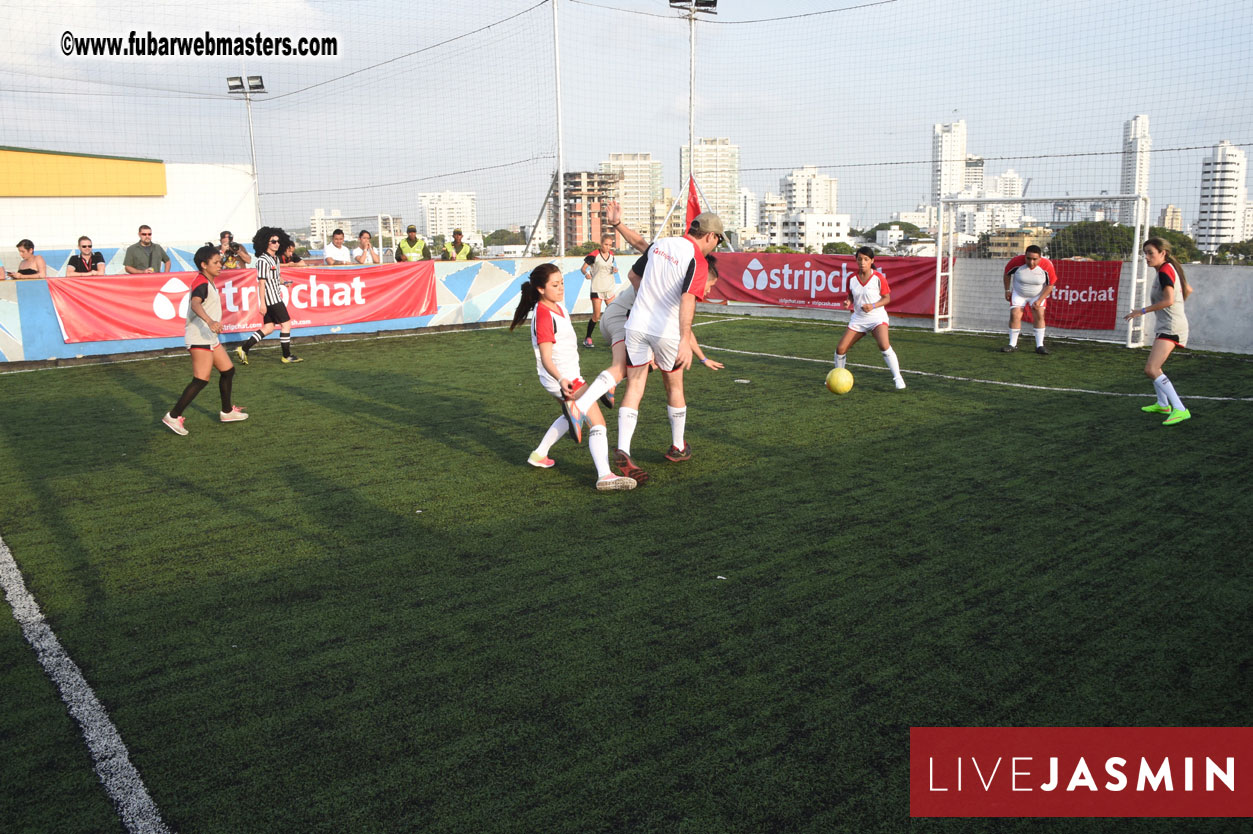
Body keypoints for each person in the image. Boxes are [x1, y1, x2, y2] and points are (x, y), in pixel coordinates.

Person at [571, 212, 721, 467]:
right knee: (674, 387)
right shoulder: (698, 260)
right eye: (718, 240)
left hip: (636, 325)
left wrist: (618, 224)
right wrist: (685, 339)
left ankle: (624, 449)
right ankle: (677, 446)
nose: (716, 245)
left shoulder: (662, 244)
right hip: (666, 331)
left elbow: (637, 261)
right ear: (710, 236)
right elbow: (688, 299)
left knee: (634, 385)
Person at [509, 262, 636, 491]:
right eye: (555, 285)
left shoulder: (557, 306)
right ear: (540, 289)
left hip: (566, 375)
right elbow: (546, 358)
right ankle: (604, 475)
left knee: (572, 414)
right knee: (597, 421)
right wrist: (560, 380)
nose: (561, 288)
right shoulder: (545, 314)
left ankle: (539, 454)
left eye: (562, 283)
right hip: (562, 377)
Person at [161, 244, 248, 435]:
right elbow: (194, 303)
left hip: (209, 336)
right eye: (215, 263)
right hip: (199, 336)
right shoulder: (201, 283)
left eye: (220, 262)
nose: (220, 265)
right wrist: (210, 321)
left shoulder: (206, 281)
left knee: (228, 370)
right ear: (203, 265)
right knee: (201, 379)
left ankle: (226, 412)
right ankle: (173, 416)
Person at [1124, 237, 1193, 426]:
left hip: (1171, 327)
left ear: (1163, 253)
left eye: (1150, 253)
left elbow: (1169, 300)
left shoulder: (1165, 272)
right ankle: (1163, 405)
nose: (1146, 257)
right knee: (1155, 368)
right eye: (1145, 253)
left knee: (1151, 369)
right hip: (1167, 325)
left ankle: (1180, 409)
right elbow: (1188, 289)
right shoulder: (1167, 269)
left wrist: (1141, 311)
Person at [833, 246, 907, 389]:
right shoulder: (852, 278)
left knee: (884, 345)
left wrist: (873, 306)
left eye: (866, 259)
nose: (862, 262)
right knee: (840, 349)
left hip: (877, 318)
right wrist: (848, 301)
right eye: (859, 259)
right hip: (858, 319)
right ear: (856, 260)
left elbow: (887, 299)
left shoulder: (878, 278)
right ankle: (838, 376)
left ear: (872, 260)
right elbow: (850, 294)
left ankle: (898, 378)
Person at [235, 227, 302, 365]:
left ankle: (244, 348)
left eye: (278, 241)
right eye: (273, 241)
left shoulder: (275, 259)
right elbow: (261, 283)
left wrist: (284, 283)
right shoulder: (262, 261)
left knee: (269, 327)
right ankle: (286, 355)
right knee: (286, 324)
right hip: (272, 299)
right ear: (266, 242)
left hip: (275, 296)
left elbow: (276, 277)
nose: (276, 243)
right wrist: (262, 303)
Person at [1001, 244, 1057, 354]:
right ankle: (1012, 344)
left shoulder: (1047, 265)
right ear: (1025, 256)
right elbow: (1007, 274)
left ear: (1040, 258)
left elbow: (1050, 285)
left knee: (1039, 314)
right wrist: (1007, 290)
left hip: (1037, 295)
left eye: (1035, 259)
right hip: (1019, 293)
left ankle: (1039, 346)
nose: (1031, 262)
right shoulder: (1016, 261)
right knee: (1015, 314)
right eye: (1028, 258)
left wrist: (1040, 300)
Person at [580, 234, 618, 347]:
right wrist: (586, 273)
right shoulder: (594, 255)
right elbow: (583, 268)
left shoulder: (611, 255)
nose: (608, 247)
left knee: (613, 313)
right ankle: (588, 338)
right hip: (597, 288)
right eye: (606, 244)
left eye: (610, 245)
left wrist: (614, 269)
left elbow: (609, 267)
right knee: (596, 315)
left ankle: (616, 338)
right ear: (601, 244)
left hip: (609, 287)